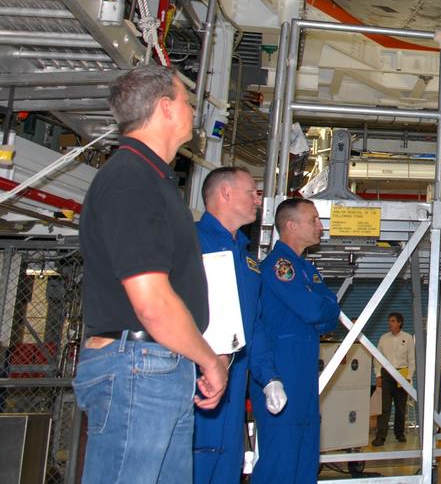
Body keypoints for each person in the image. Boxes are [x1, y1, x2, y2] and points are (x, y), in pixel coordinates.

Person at [74, 64, 228, 484]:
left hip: (156, 367)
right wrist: (209, 359)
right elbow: (152, 303)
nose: (193, 111)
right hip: (139, 370)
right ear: (165, 108)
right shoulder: (130, 180)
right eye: (186, 100)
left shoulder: (152, 178)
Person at [250, 198, 339, 484]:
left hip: (304, 379)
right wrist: (321, 307)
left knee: (305, 463)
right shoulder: (279, 266)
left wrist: (322, 307)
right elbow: (316, 309)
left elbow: (331, 314)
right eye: (313, 219)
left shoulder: (306, 269)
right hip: (282, 375)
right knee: (280, 464)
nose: (320, 226)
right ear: (290, 225)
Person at [194, 166, 272, 484]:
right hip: (199, 379)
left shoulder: (247, 257)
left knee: (228, 468)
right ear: (226, 193)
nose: (258, 199)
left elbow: (254, 323)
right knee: (195, 463)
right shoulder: (192, 242)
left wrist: (270, 377)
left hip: (234, 382)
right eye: (251, 191)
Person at [374, 311, 415, 446]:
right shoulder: (383, 338)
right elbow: (377, 358)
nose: (389, 323)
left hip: (402, 374)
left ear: (399, 323)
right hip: (386, 374)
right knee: (384, 407)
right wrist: (378, 375)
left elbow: (411, 359)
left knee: (400, 406)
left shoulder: (408, 338)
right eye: (389, 321)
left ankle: (400, 433)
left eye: (392, 321)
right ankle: (381, 436)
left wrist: (409, 377)